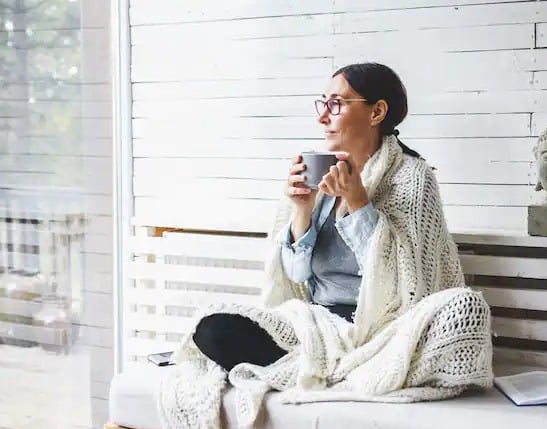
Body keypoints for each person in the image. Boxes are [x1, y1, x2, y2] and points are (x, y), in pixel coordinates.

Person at [190, 61, 487, 376]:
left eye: (336, 104)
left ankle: (328, 369)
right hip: (316, 324)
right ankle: (332, 368)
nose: (322, 117)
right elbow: (294, 275)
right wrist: (301, 209)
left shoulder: (412, 177)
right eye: (324, 103)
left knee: (465, 308)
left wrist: (357, 201)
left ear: (377, 112)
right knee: (212, 329)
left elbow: (408, 282)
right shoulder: (318, 176)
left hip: (386, 330)